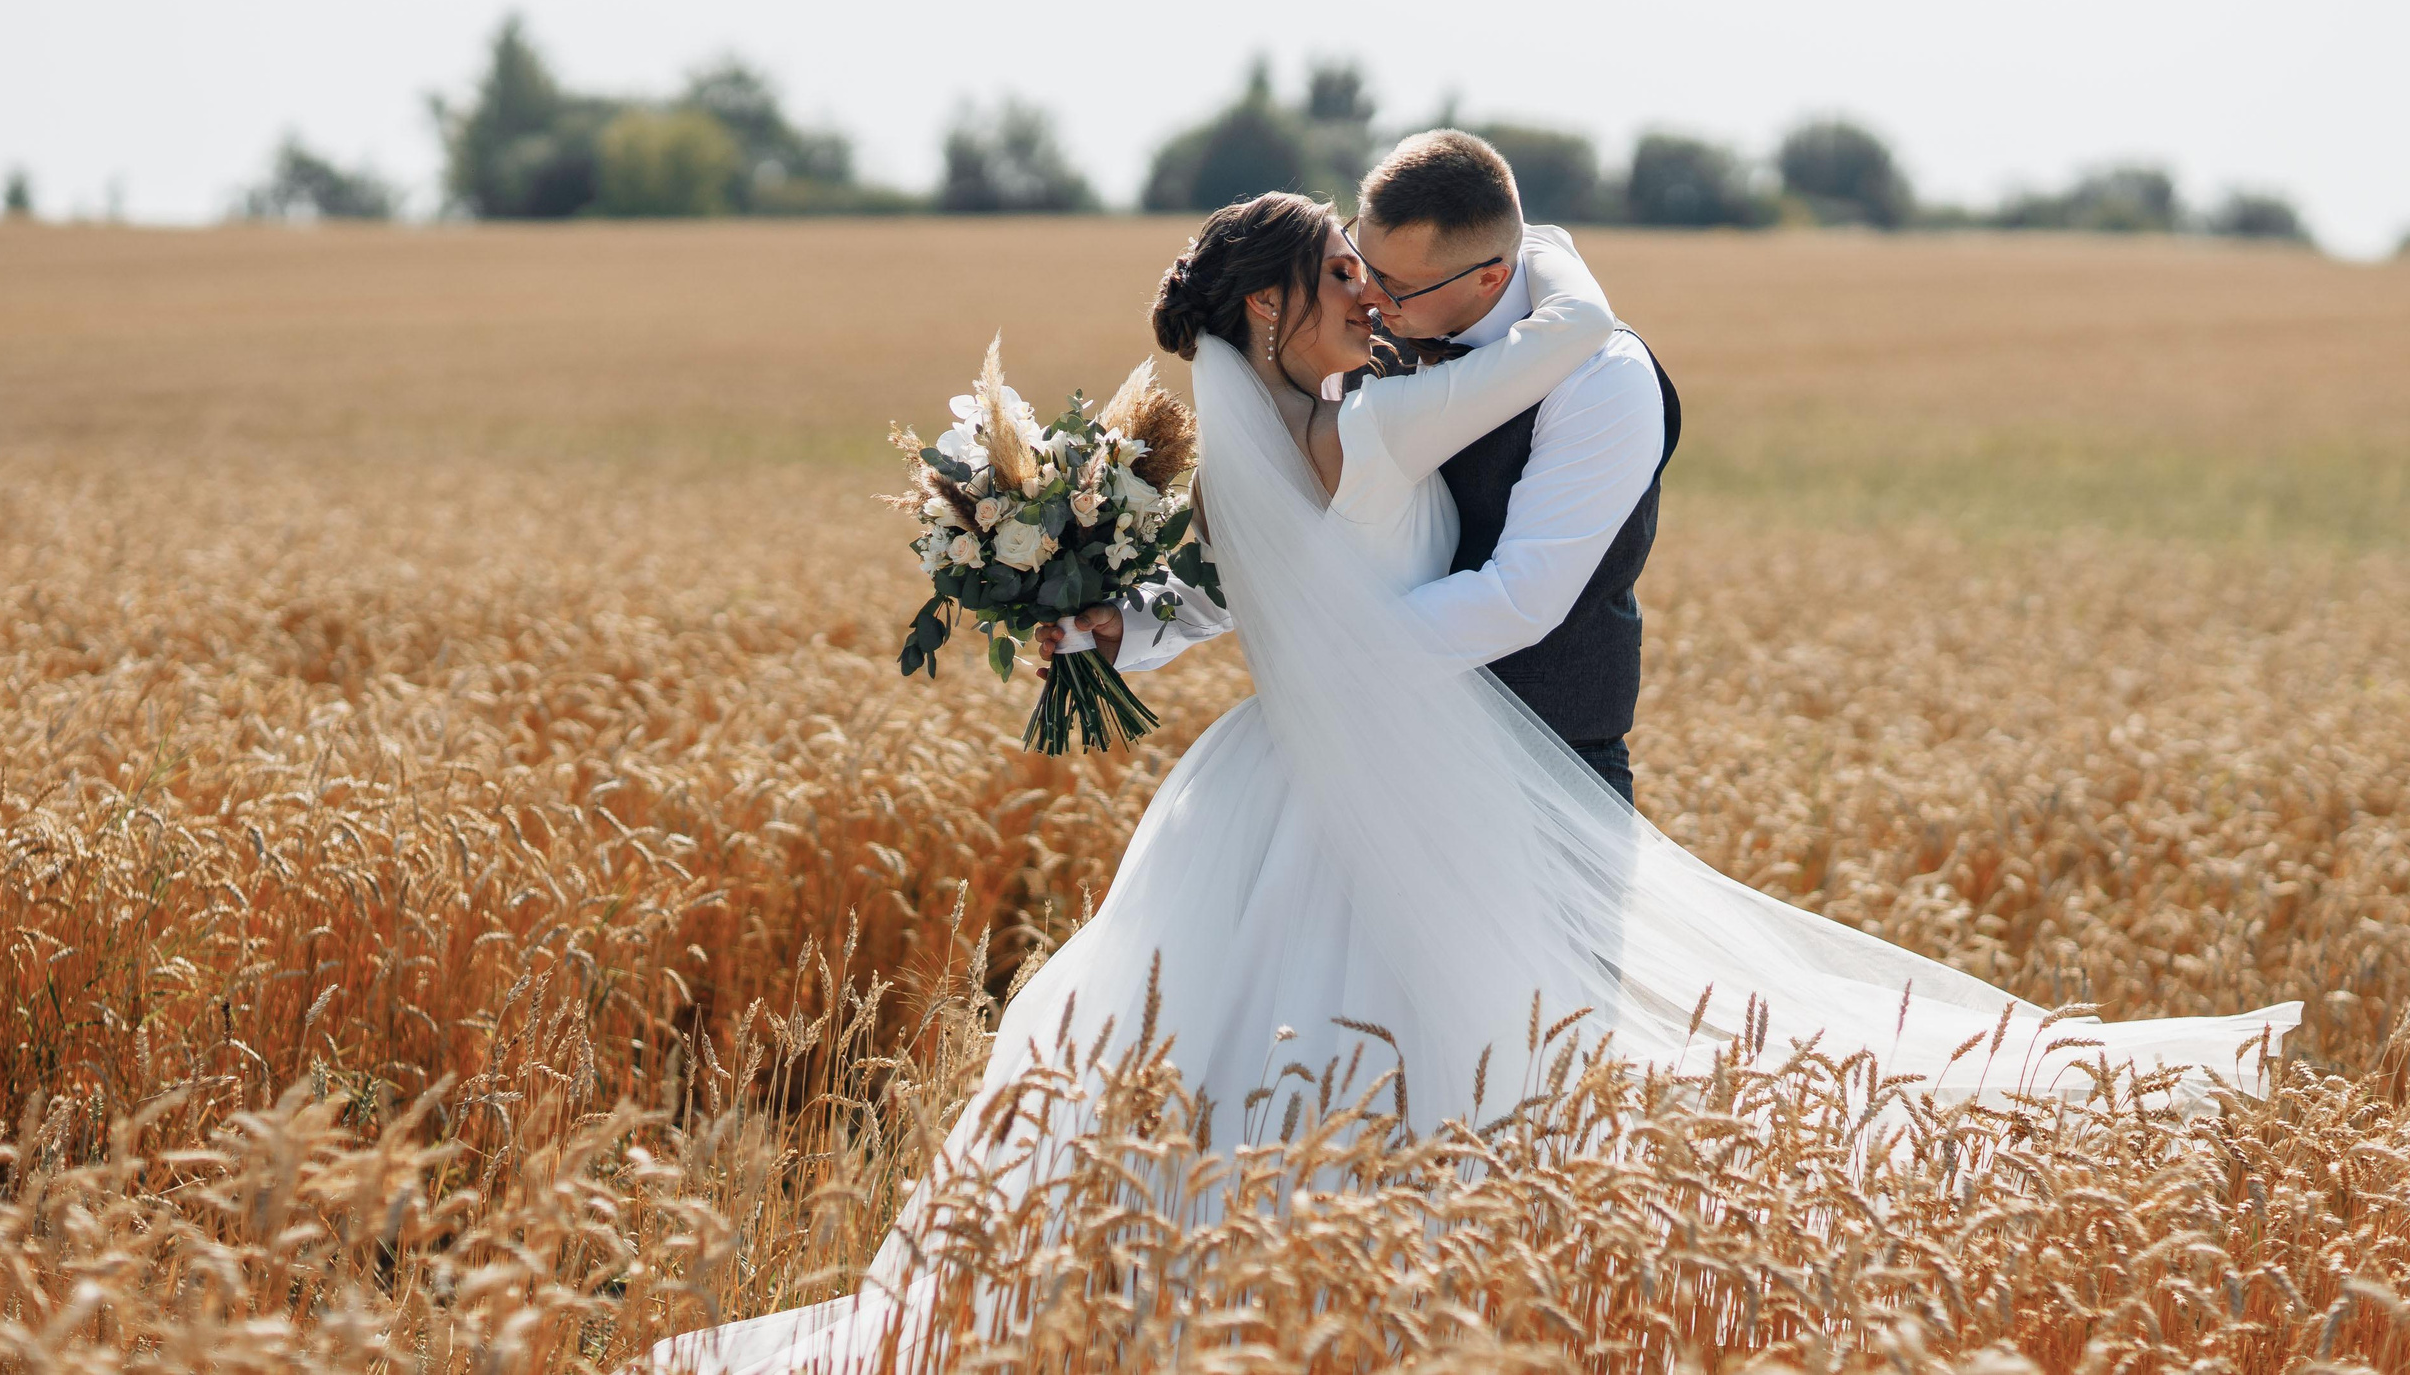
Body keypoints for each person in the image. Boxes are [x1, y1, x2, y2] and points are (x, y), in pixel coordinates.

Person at [654, 185, 2299, 1375]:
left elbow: (1211, 602)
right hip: (1385, 761)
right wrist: (1539, 253)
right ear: (1269, 318)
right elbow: (1572, 331)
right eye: (1336, 282)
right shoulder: (1379, 430)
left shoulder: (1265, 437)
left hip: (1283, 775)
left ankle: (1238, 1307)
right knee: (1428, 1024)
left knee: (1272, 1032)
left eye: (1373, 277)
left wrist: (1090, 616)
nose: (1364, 300)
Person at [1049, 131, 1674, 803]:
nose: (1371, 298)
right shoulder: (1356, 382)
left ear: (1490, 275)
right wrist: (1134, 625)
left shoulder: (1603, 378)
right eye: (1352, 266)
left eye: (1390, 283)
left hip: (1552, 764)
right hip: (1366, 766)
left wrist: (1324, 669)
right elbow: (1254, 562)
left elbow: (1519, 596)